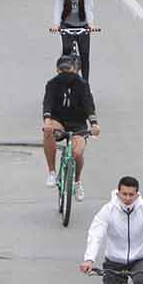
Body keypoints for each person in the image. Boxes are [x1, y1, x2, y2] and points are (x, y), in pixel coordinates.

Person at [42, 54, 99, 198]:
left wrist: (94, 124)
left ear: (75, 70)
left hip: (77, 123)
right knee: (49, 132)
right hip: (59, 120)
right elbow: (47, 103)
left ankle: (77, 182)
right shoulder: (52, 84)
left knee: (77, 153)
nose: (66, 74)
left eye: (68, 70)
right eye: (62, 70)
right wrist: (47, 120)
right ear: (57, 70)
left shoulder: (82, 84)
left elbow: (89, 105)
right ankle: (52, 172)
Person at [49, 0, 95, 82]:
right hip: (67, 26)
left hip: (82, 26)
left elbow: (88, 8)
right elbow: (58, 8)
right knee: (66, 53)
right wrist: (56, 25)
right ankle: (64, 80)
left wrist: (91, 24)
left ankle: (85, 83)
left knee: (84, 55)